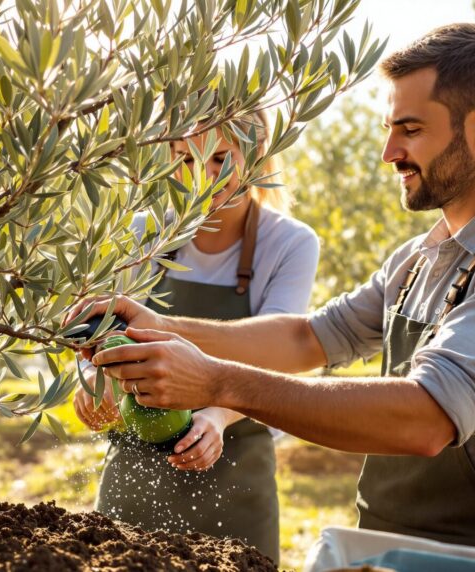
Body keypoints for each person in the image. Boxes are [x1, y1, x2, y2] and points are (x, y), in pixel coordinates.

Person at [70, 23, 475, 559]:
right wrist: (164, 326)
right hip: (382, 546)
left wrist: (217, 382)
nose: (388, 152)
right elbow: (308, 338)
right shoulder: (418, 259)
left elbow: (427, 417)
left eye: (410, 129)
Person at [72, 111, 320, 562]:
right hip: (135, 467)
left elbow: (279, 352)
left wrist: (218, 418)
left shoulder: (289, 244)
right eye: (186, 160)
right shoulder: (142, 233)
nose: (203, 178)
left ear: (257, 153)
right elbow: (101, 330)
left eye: (221, 158)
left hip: (237, 469)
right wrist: (92, 378)